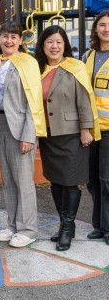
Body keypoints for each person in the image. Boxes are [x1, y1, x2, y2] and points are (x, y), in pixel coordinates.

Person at [35, 25, 98, 251]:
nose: (54, 46)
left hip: (72, 133)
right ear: (42, 45)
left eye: (59, 42)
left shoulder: (75, 68)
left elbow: (84, 100)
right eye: (50, 41)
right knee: (55, 180)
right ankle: (63, 224)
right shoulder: (38, 69)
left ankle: (68, 228)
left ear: (65, 45)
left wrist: (86, 129)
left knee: (71, 182)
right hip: (48, 134)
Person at [0, 21, 46, 248]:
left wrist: (29, 135)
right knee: (8, 180)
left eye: (13, 37)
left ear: (20, 40)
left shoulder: (28, 63)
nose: (9, 41)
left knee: (23, 180)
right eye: (5, 36)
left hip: (20, 126)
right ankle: (12, 225)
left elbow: (33, 99)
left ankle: (27, 229)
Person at [84, 11, 109, 245]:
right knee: (93, 180)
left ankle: (108, 227)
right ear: (96, 29)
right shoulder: (88, 56)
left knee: (107, 179)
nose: (106, 29)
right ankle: (99, 226)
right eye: (102, 25)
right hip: (92, 128)